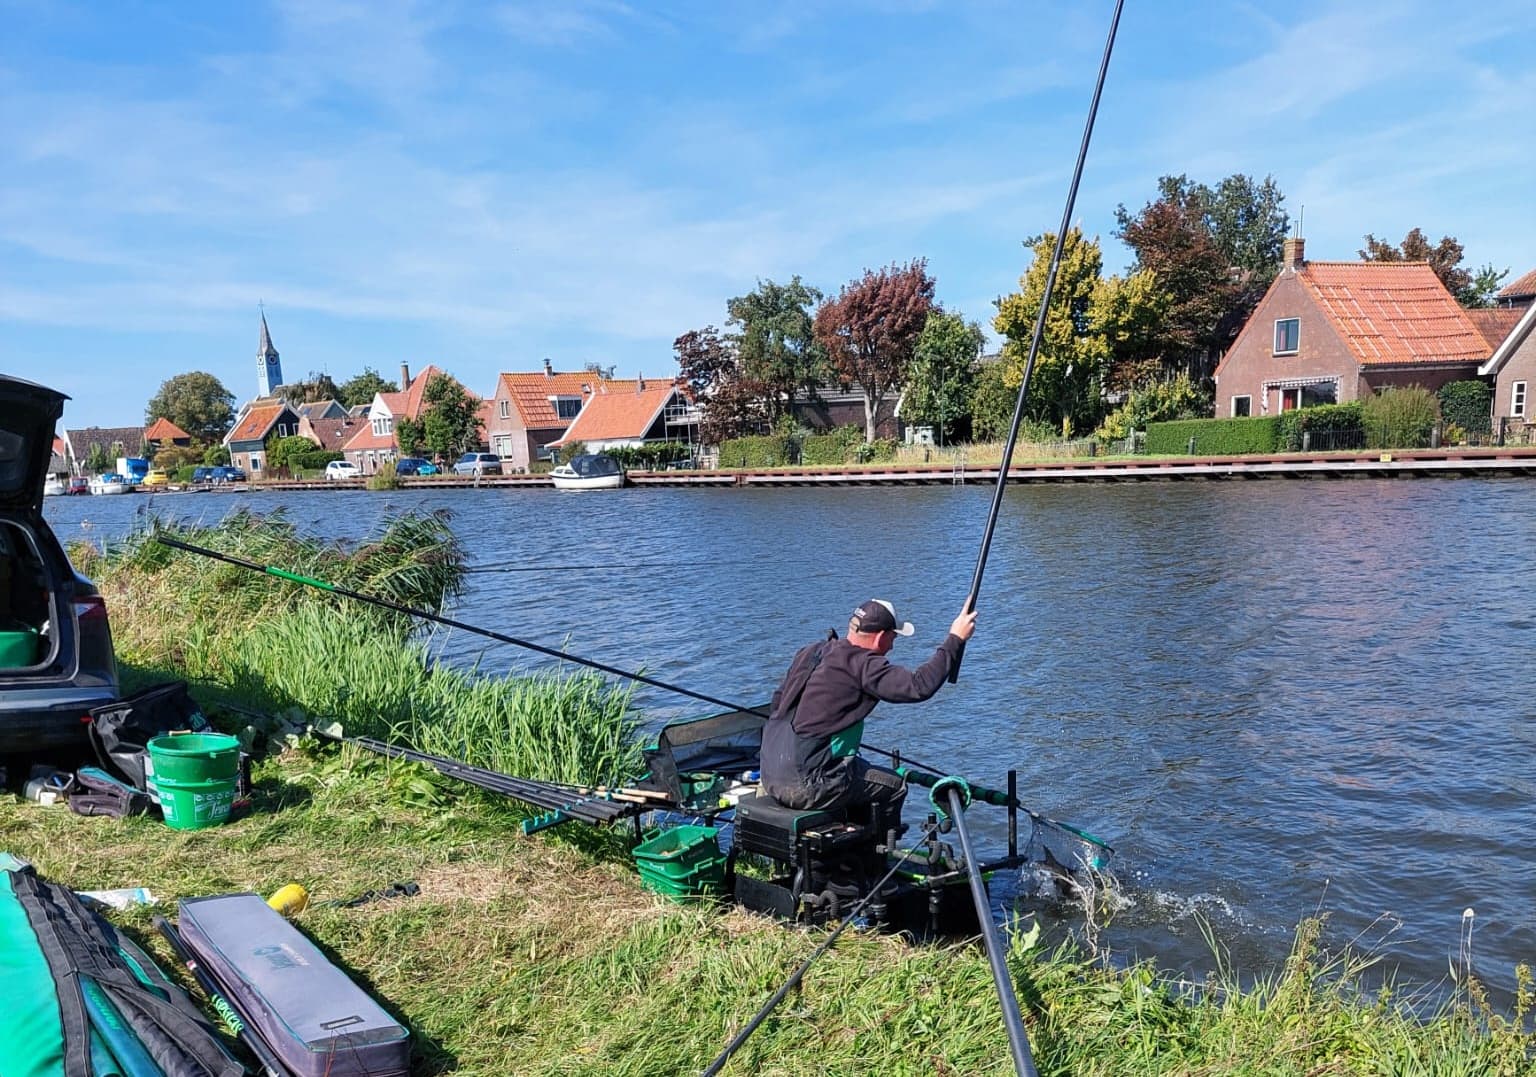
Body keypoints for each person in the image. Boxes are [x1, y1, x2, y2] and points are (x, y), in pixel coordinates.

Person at [759, 598, 978, 828]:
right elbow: (919, 686)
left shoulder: (811, 652)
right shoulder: (862, 664)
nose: (892, 647)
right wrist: (955, 638)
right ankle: (876, 861)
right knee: (895, 786)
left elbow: (777, 704)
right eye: (893, 638)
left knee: (857, 770)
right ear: (881, 637)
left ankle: (847, 844)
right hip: (807, 785)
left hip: (770, 774)